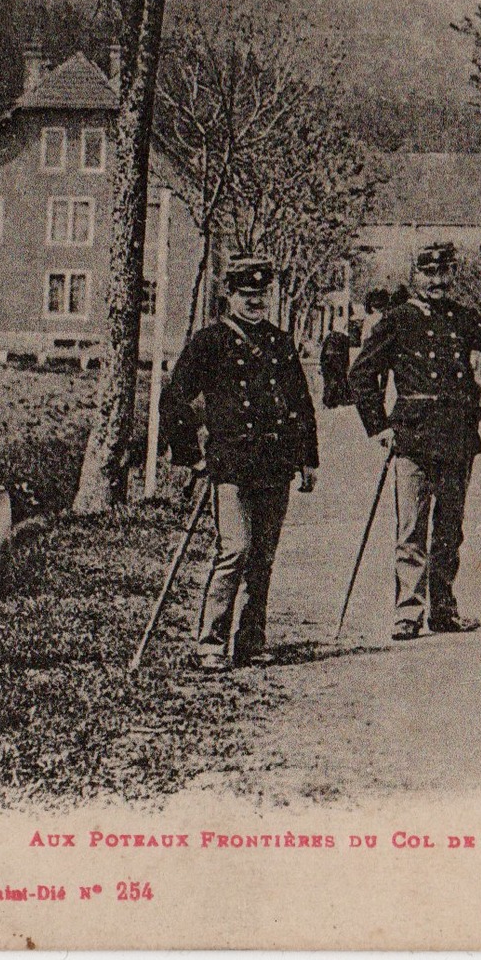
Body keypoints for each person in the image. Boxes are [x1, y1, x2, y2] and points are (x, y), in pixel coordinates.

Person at [348, 241, 481, 640]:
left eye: (444, 274)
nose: (437, 282)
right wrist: (379, 426)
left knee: (449, 529)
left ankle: (444, 610)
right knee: (411, 528)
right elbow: (361, 373)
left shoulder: (465, 319)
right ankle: (407, 613)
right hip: (411, 436)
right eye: (429, 274)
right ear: (416, 276)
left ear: (453, 277)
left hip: (458, 435)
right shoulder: (396, 321)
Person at [159, 254, 320, 671]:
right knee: (236, 550)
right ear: (229, 295)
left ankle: (250, 640)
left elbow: (301, 405)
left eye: (260, 294)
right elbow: (174, 399)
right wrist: (191, 457)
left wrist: (306, 459)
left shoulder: (280, 343)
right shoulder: (208, 342)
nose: (254, 302)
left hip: (274, 463)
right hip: (231, 464)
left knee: (263, 556)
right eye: (246, 294)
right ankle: (210, 640)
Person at [319, 324, 353, 408]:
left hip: (328, 361)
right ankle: (337, 399)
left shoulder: (329, 336)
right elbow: (346, 354)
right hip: (338, 361)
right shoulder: (345, 338)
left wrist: (321, 363)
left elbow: (323, 352)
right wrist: (346, 365)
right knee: (339, 380)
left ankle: (328, 401)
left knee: (329, 381)